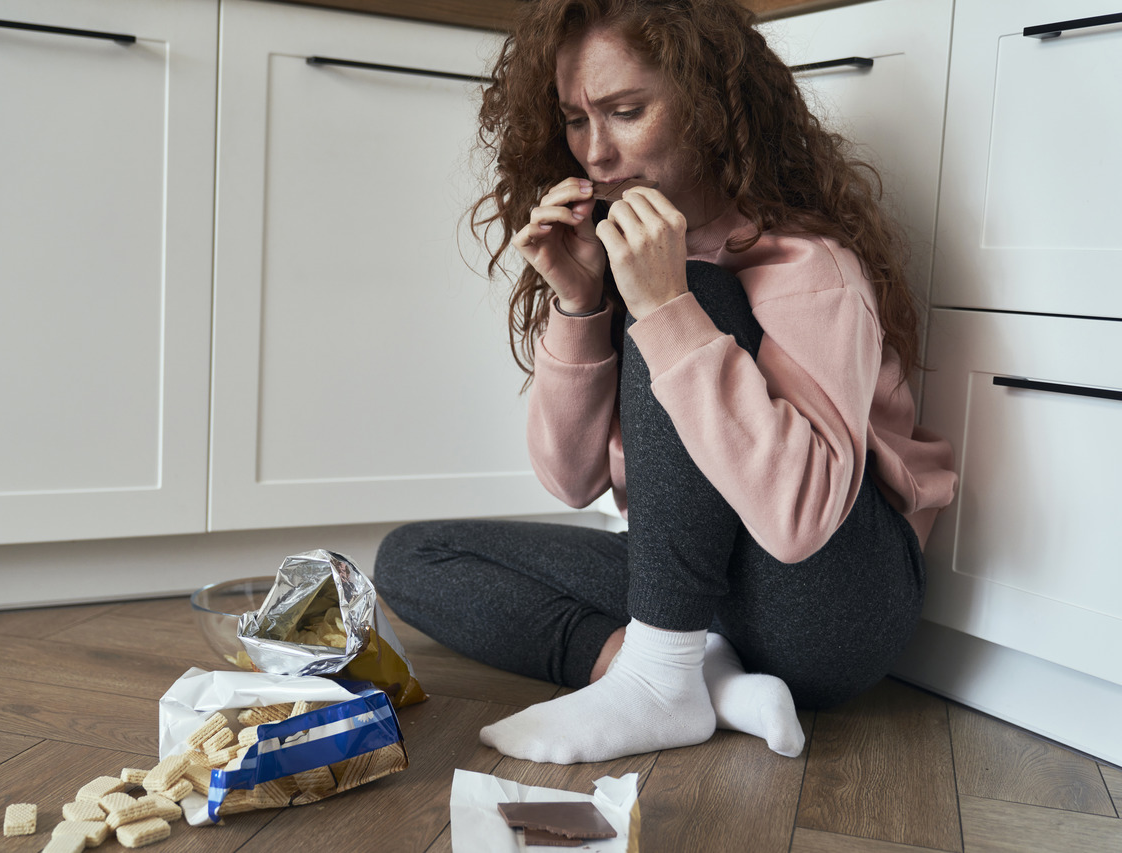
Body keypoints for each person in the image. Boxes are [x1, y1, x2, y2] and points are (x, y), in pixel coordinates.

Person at [374, 0, 957, 765]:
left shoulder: (809, 266)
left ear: (709, 105)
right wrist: (580, 303)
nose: (596, 151)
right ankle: (695, 678)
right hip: (702, 596)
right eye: (576, 120)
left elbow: (800, 522)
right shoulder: (623, 255)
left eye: (626, 111)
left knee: (699, 291)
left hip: (835, 610)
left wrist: (667, 308)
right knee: (413, 558)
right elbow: (571, 480)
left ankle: (661, 671)